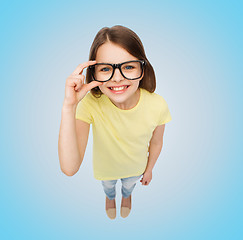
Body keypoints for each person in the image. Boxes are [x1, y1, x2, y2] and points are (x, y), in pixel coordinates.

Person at [58, 25, 172, 220]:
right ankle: (110, 198)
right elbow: (69, 168)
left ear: (142, 69)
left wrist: (150, 168)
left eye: (128, 66)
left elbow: (156, 142)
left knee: (128, 187)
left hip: (136, 169)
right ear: (93, 74)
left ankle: (126, 197)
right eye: (105, 69)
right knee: (109, 188)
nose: (117, 78)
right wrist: (69, 106)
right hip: (106, 171)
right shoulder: (90, 105)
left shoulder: (157, 104)